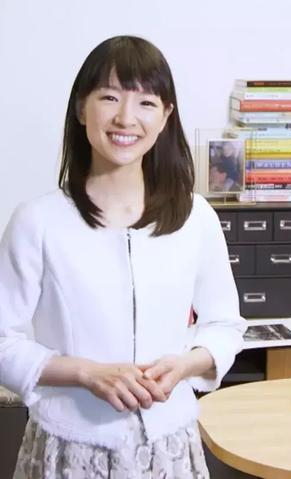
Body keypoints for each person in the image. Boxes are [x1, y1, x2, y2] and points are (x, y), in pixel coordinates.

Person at [0, 36, 247, 478]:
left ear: (166, 116)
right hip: (68, 449)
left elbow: (225, 325)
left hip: (170, 446)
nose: (126, 118)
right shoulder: (37, 221)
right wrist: (86, 373)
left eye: (146, 102)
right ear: (82, 108)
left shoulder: (196, 217)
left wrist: (184, 365)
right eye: (110, 97)